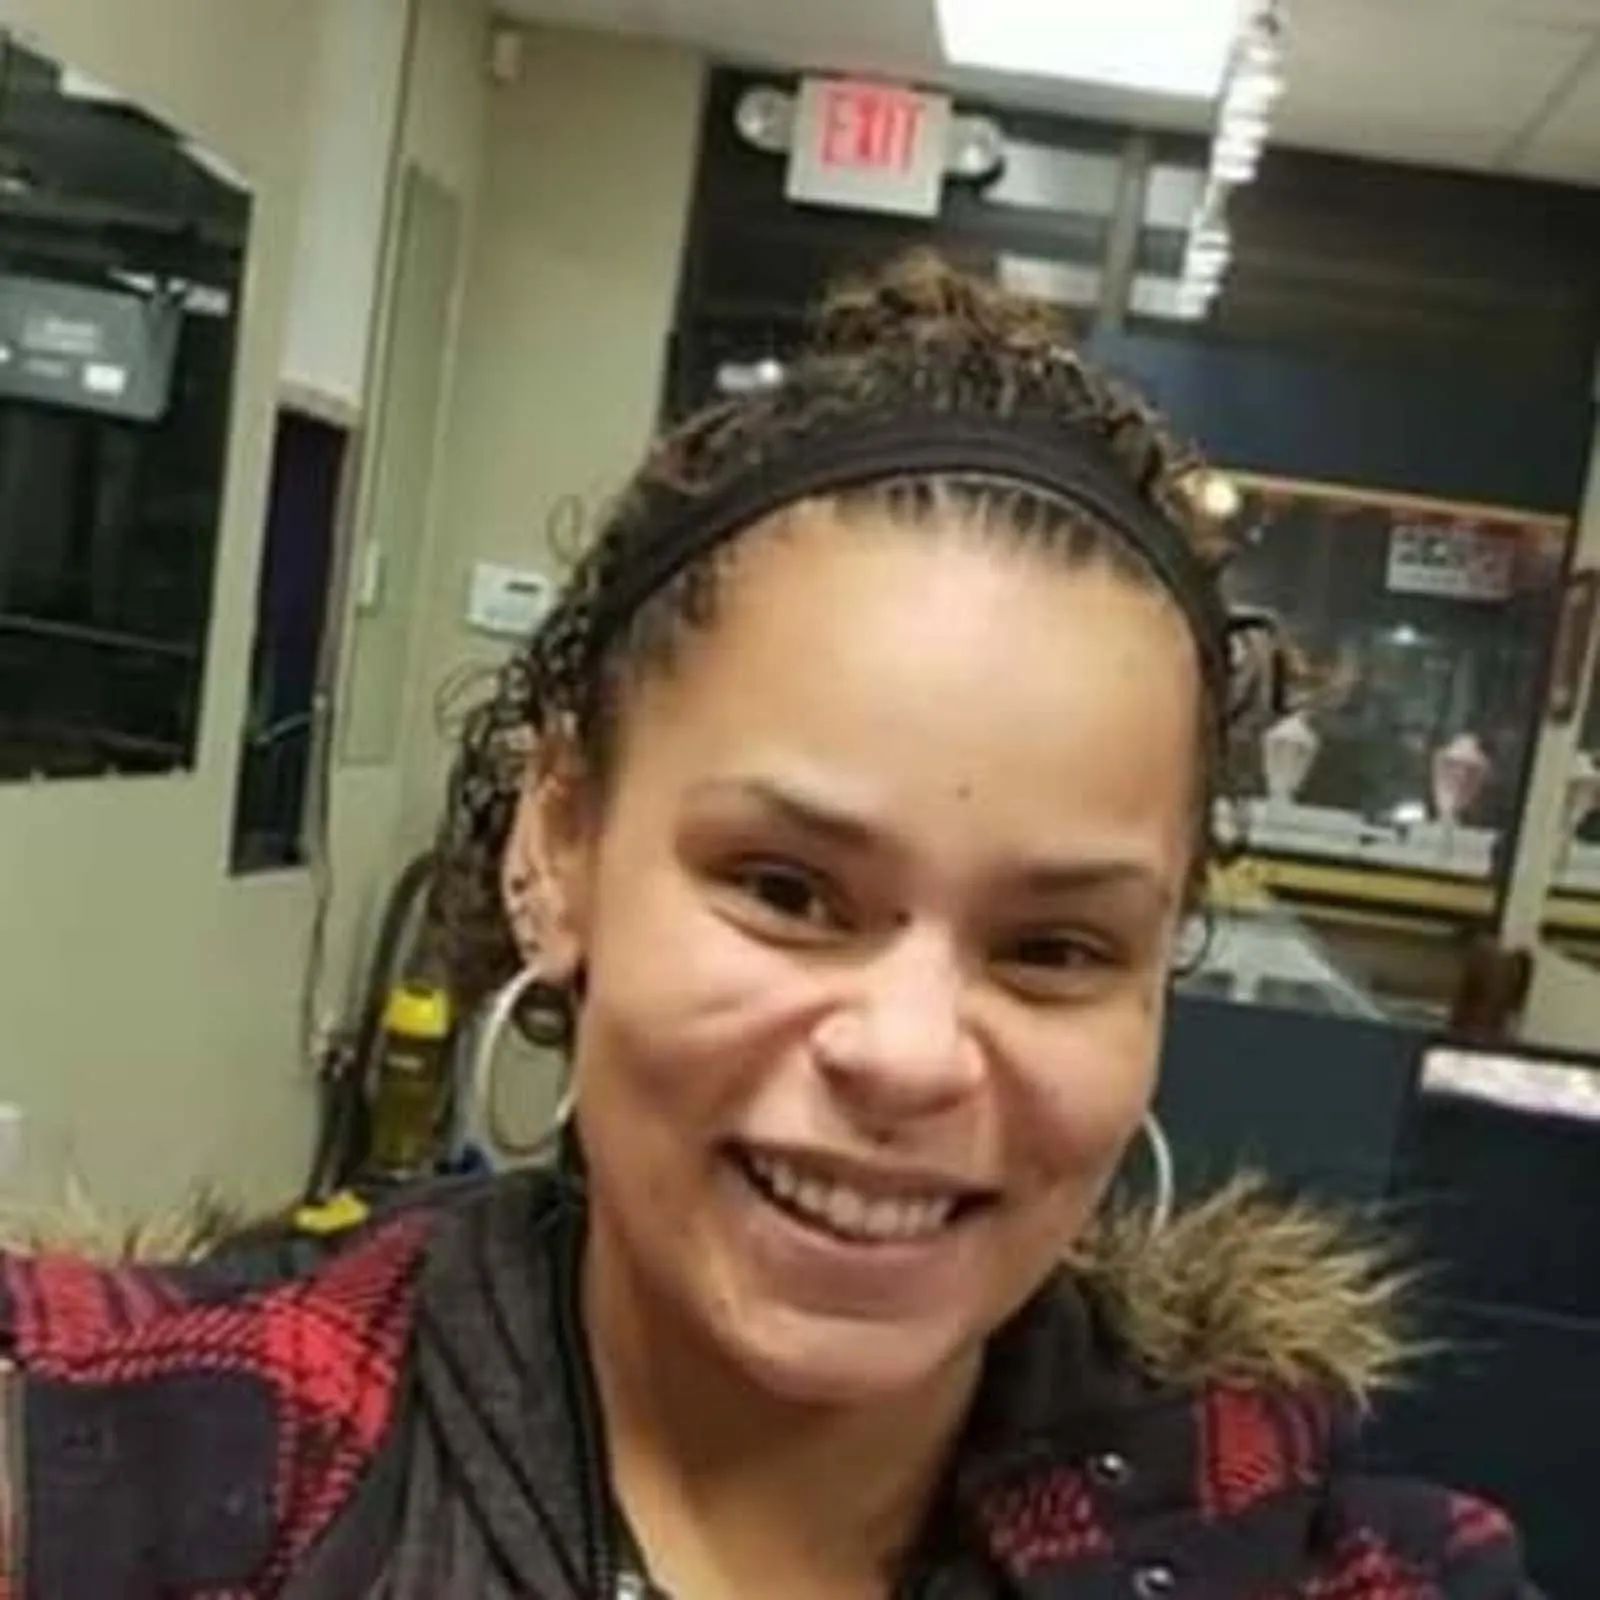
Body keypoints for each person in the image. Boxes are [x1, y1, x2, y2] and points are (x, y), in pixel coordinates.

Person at [0, 256, 1537, 1598]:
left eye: (1053, 949)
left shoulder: (1327, 1562)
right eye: (788, 892)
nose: (910, 1057)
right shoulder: (127, 1461)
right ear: (564, 843)